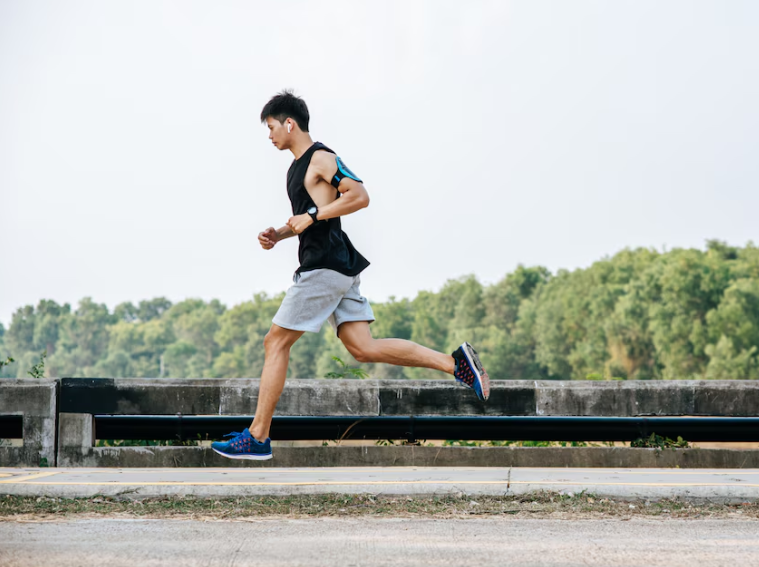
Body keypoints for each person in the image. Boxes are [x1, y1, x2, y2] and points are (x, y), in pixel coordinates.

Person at [212, 90, 489, 460]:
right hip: (336, 265)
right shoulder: (297, 167)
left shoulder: (321, 158)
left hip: (324, 265)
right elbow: (318, 211)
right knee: (363, 348)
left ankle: (258, 436)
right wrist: (280, 234)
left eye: (272, 127)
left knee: (274, 343)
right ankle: (455, 364)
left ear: (289, 123)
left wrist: (309, 218)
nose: (270, 135)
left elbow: (359, 196)